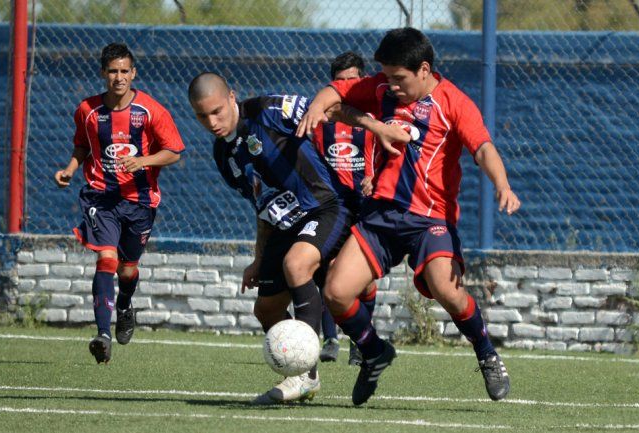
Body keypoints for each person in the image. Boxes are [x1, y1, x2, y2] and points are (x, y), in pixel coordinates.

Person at [297, 27, 521, 406]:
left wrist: (502, 184)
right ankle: (373, 352)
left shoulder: (454, 103)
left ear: (424, 69)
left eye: (399, 78)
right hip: (381, 217)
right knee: (335, 292)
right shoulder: (382, 89)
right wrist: (320, 106)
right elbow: (336, 92)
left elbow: (482, 147)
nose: (391, 85)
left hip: (430, 219)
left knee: (446, 289)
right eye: (386, 76)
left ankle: (486, 353)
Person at [188, 73, 353, 404]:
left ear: (232, 96)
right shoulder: (223, 155)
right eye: (203, 116)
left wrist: (379, 130)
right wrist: (259, 258)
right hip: (283, 225)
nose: (212, 122)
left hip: (324, 207)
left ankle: (304, 375)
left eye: (217, 111)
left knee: (297, 265)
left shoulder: (267, 110)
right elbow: (261, 205)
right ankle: (304, 368)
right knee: (266, 310)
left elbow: (330, 108)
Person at [54, 42, 185, 364]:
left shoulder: (151, 111)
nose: (119, 77)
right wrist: (70, 169)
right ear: (103, 73)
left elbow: (174, 151)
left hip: (140, 201)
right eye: (113, 71)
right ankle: (102, 335)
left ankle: (124, 305)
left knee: (128, 270)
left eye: (124, 71)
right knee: (107, 259)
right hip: (101, 197)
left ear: (133, 73)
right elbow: (82, 145)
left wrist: (143, 161)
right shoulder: (88, 110)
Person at [313, 51, 380, 366]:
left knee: (364, 279)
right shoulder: (321, 120)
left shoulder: (374, 117)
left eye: (352, 80)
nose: (345, 86)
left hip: (366, 203)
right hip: (333, 205)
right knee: (328, 269)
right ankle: (330, 340)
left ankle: (360, 340)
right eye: (340, 81)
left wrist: (375, 177)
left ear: (362, 80)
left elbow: (392, 154)